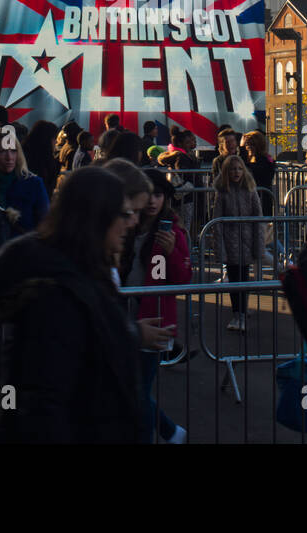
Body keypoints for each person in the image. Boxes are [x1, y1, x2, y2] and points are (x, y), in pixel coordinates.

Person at [0, 166, 164, 442]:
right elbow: (44, 402)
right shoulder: (57, 293)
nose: (132, 223)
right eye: (125, 214)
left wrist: (132, 333)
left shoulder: (84, 272)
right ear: (97, 218)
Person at [127, 168, 191, 443]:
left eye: (159, 195)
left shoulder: (171, 231)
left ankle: (168, 432)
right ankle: (170, 431)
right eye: (148, 194)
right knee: (128, 389)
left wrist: (171, 252)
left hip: (154, 318)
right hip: (125, 314)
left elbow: (182, 278)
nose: (153, 201)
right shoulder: (127, 225)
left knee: (137, 392)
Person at [212, 156, 262, 332]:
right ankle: (237, 313)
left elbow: (258, 216)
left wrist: (258, 243)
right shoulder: (222, 192)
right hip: (230, 241)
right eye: (233, 169)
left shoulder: (250, 189)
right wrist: (220, 248)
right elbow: (217, 220)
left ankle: (241, 312)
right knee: (234, 278)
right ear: (227, 171)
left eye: (239, 169)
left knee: (244, 277)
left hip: (247, 240)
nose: (236, 172)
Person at [0, 129, 50, 236]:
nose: (9, 157)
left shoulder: (33, 184)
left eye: (13, 150)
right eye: (2, 151)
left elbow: (45, 227)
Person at [21, 120, 62, 197]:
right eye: (54, 138)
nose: (56, 142)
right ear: (47, 139)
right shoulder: (47, 162)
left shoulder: (24, 155)